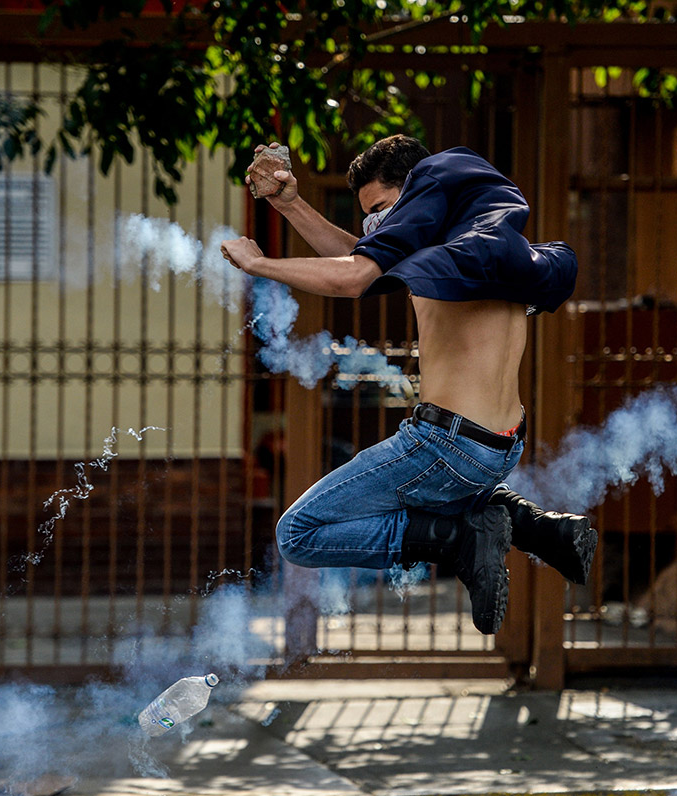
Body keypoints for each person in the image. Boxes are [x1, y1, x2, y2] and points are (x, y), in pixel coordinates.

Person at [220, 135, 596, 634]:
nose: (376, 225)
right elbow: (363, 260)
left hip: (445, 443)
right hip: (501, 447)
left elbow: (354, 277)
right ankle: (537, 528)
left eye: (380, 209)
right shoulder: (479, 250)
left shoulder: (452, 246)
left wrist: (258, 265)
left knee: (298, 534)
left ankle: (457, 540)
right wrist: (289, 206)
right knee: (442, 497)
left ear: (416, 191)